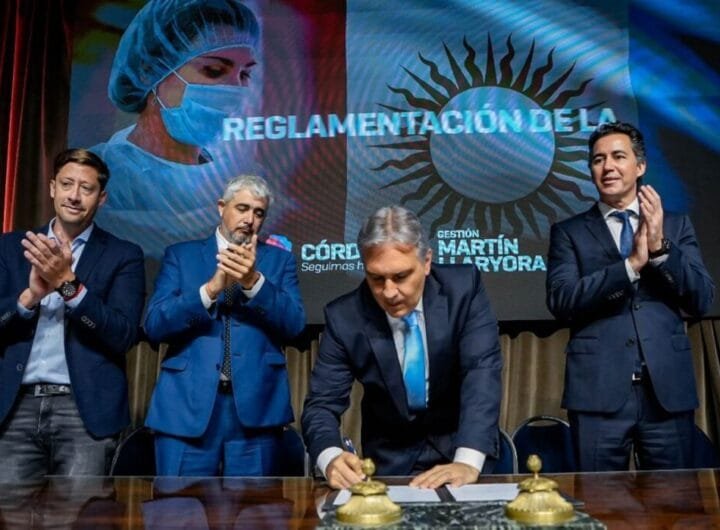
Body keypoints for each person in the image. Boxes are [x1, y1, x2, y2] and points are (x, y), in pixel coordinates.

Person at [546, 121, 715, 471]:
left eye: (618, 156)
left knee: (674, 499)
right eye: (598, 159)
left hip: (666, 392)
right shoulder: (569, 233)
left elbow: (701, 299)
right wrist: (630, 266)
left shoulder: (675, 225)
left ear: (640, 166)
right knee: (599, 498)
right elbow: (562, 300)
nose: (607, 166)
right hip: (597, 394)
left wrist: (660, 249)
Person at [302, 205, 502, 489]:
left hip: (462, 452)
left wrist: (467, 460)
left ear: (427, 261)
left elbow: (481, 372)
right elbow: (321, 404)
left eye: (400, 276)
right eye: (376, 278)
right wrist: (330, 457)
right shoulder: (344, 316)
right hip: (389, 465)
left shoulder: (463, 289)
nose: (389, 292)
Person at [143, 174, 306, 476]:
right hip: (186, 407)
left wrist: (254, 283)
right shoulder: (181, 255)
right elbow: (155, 325)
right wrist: (211, 290)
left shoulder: (279, 261)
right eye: (242, 208)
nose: (250, 219)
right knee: (177, 504)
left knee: (255, 505)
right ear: (221, 207)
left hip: (257, 410)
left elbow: (295, 326)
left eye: (259, 213)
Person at [0, 148, 146, 480]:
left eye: (87, 188)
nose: (74, 196)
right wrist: (30, 297)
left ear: (102, 198)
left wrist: (69, 287)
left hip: (83, 412)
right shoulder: (11, 247)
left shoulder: (124, 255)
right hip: (15, 406)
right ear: (53, 188)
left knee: (81, 510)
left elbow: (123, 335)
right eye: (67, 184)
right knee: (7, 509)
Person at [91, 0, 266, 259]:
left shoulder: (242, 179)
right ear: (149, 70)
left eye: (244, 75)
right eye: (214, 70)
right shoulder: (99, 174)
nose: (235, 89)